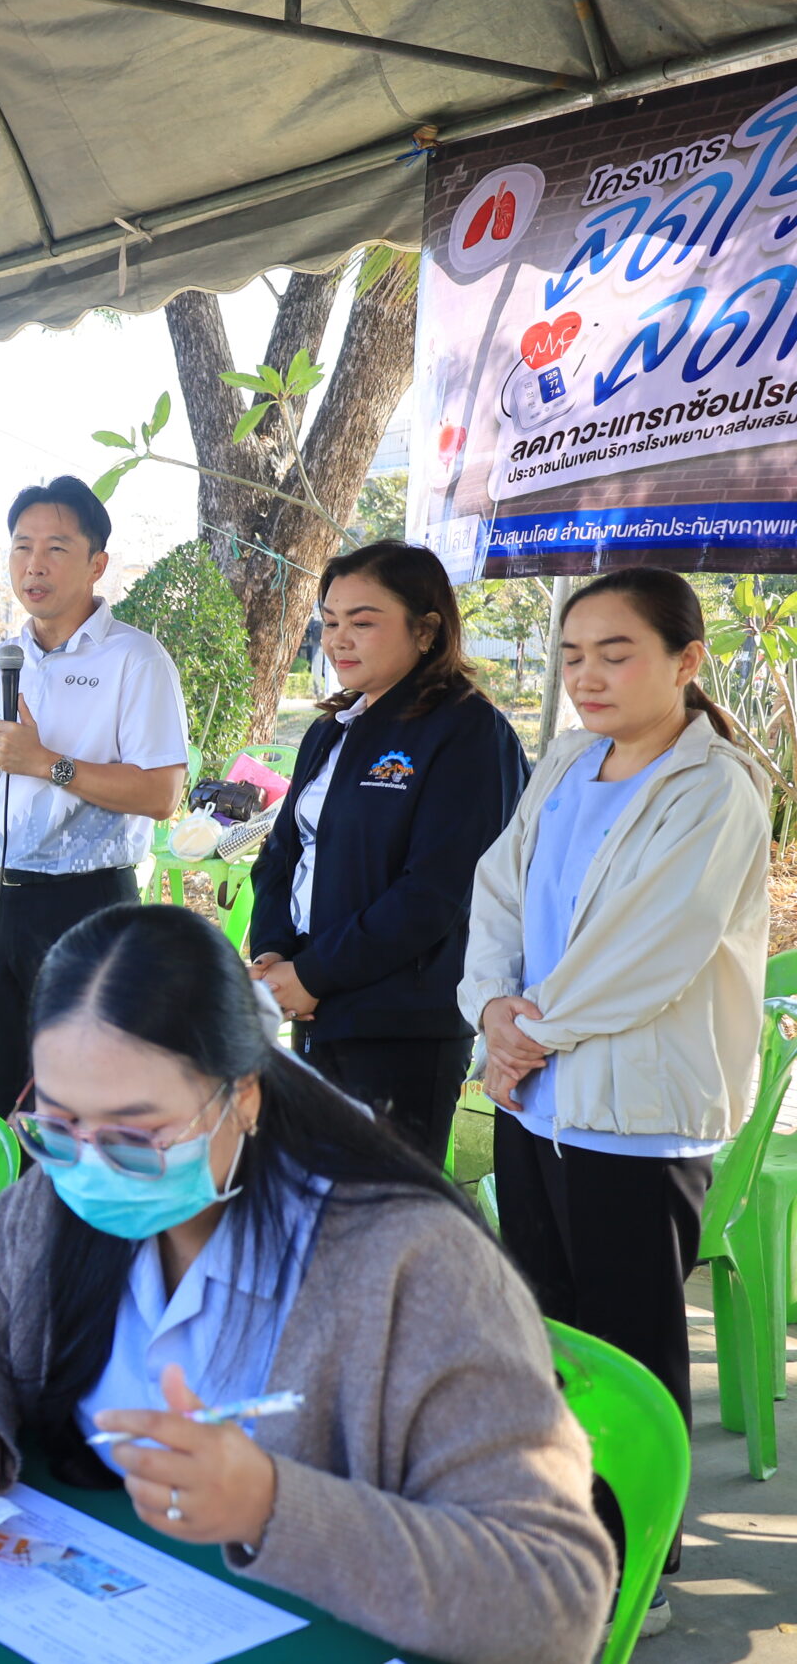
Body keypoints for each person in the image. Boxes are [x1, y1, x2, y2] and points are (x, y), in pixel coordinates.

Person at [0, 904, 612, 1664]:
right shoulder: (60, 1194)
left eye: (138, 1133)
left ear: (244, 1099)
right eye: (58, 1123)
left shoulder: (406, 1264)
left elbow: (553, 1595)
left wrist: (273, 1505)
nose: (92, 1162)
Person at [460, 567, 768, 1622]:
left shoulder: (714, 788)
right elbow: (498, 894)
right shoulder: (564, 762)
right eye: (572, 655)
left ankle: (639, 1569)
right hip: (535, 1098)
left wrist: (523, 1036)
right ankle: (557, 1538)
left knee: (631, 1346)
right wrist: (491, 1008)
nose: (587, 675)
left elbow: (652, 947)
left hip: (634, 1114)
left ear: (686, 661)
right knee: (550, 1331)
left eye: (616, 652)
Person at [245, 542, 526, 1164]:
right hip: (312, 1006)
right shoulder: (330, 730)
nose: (338, 640)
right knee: (314, 1192)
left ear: (426, 630)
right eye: (330, 621)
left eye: (363, 622)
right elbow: (282, 853)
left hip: (401, 1022)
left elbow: (437, 893)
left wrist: (315, 975)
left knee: (381, 1203)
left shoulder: (469, 732)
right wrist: (274, 954)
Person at [0, 476, 189, 1116]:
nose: (34, 564)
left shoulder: (135, 659)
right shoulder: (0, 659)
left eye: (55, 548)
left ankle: (78, 1190)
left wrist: (49, 764)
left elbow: (162, 794)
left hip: (87, 903)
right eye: (21, 547)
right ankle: (12, 1187)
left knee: (85, 1097)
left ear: (97, 563)